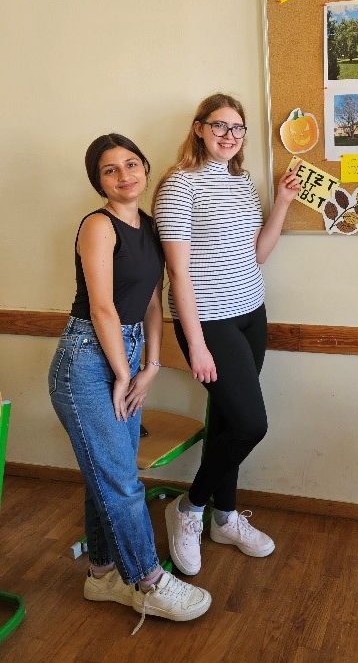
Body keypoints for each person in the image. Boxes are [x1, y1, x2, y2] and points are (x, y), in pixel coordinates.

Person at [49, 134, 212, 634]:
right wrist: (123, 372)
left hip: (130, 350)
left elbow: (151, 301)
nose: (124, 175)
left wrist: (151, 366)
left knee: (107, 473)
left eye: (131, 164)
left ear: (144, 167)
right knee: (119, 478)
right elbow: (102, 307)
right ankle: (148, 581)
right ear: (98, 181)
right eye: (110, 170)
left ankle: (101, 575)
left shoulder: (150, 225)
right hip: (85, 360)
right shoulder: (98, 226)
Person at [153, 93, 300, 576]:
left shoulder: (242, 182)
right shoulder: (179, 185)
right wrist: (195, 344)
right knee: (250, 425)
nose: (229, 135)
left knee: (228, 421)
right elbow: (178, 273)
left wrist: (281, 203)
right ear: (198, 128)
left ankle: (225, 517)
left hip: (251, 313)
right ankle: (189, 507)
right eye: (219, 125)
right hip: (210, 321)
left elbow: (257, 254)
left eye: (237, 128)